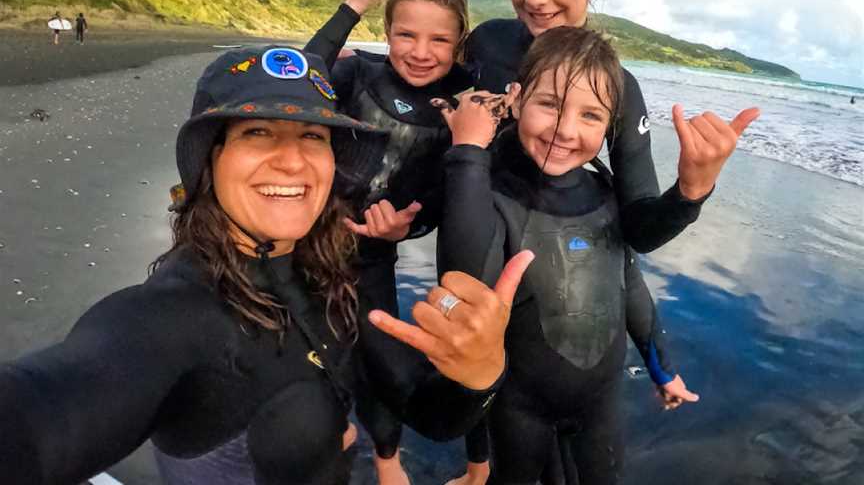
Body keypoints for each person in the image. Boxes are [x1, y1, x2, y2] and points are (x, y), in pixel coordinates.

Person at [0, 45, 533, 484]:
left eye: (313, 136)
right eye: (258, 133)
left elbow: (433, 417)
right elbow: (41, 413)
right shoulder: (169, 317)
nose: (293, 160)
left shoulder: (336, 273)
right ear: (211, 158)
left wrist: (480, 371)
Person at [447, 0, 760, 485]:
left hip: (578, 261)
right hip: (488, 249)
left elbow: (637, 229)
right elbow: (431, 103)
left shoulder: (619, 85)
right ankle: (474, 465)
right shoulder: (486, 45)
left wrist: (690, 191)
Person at [299, 0, 475, 484]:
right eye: (406, 34)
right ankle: (331, 428)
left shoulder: (463, 103)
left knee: (381, 360)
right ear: (386, 31)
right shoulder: (358, 74)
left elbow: (446, 199)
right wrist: (352, 5)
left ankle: (387, 457)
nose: (421, 52)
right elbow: (300, 73)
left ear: (460, 42)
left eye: (439, 39)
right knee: (308, 350)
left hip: (376, 257)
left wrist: (406, 230)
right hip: (308, 242)